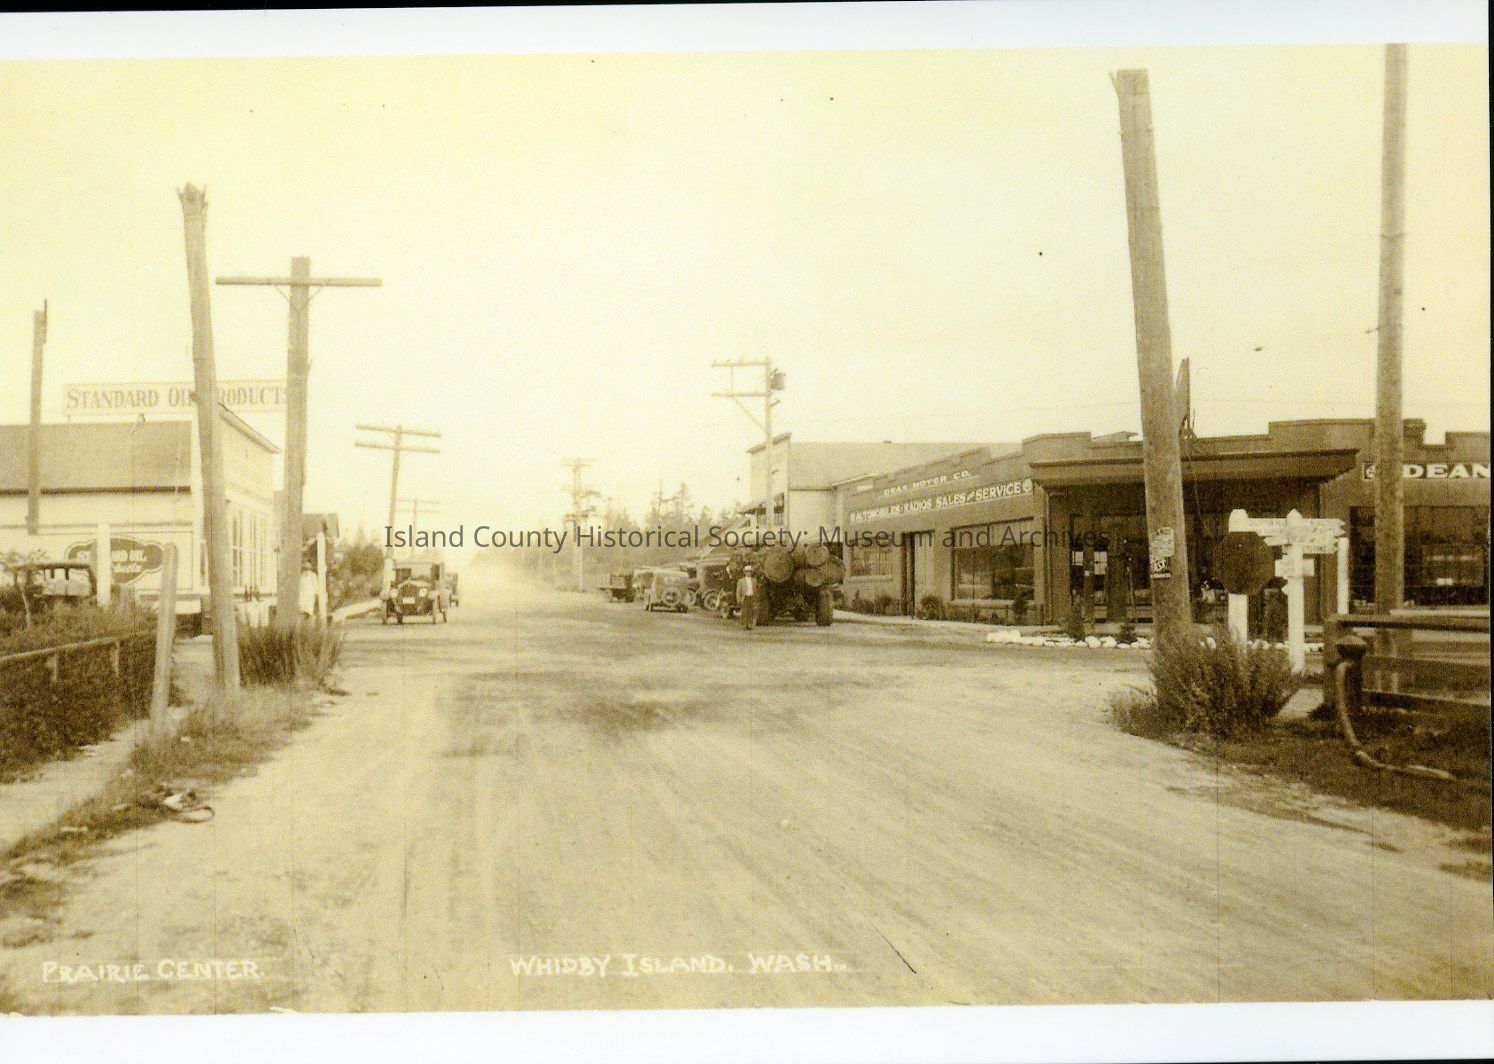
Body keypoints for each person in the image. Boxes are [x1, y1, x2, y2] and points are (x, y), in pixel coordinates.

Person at [736, 562, 758, 630]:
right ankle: (743, 625)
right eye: (747, 571)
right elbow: (738, 591)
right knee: (744, 612)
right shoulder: (741, 581)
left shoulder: (754, 580)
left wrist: (755, 597)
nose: (749, 573)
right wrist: (739, 599)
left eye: (750, 572)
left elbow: (756, 589)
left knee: (751, 612)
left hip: (751, 597)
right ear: (744, 572)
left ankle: (750, 625)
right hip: (745, 597)